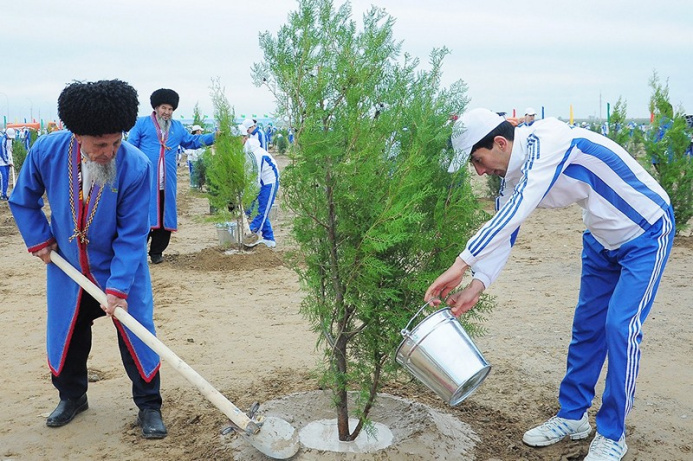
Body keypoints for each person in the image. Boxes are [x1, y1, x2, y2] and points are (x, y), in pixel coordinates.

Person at [425, 108, 674, 461]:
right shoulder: (512, 177)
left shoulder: (547, 142)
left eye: (479, 161)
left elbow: (519, 209)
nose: (480, 172)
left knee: (620, 326)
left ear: (500, 142)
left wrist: (460, 263)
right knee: (587, 327)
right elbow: (506, 227)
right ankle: (573, 417)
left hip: (646, 230)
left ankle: (612, 433)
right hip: (600, 238)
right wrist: (477, 284)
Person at [8, 79, 168, 439]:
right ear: (76, 136)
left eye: (115, 142)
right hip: (69, 268)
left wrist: (118, 286)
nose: (109, 151)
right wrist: (40, 240)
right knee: (69, 333)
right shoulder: (46, 152)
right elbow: (23, 198)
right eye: (99, 145)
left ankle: (149, 405)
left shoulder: (135, 165)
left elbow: (132, 234)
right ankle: (72, 397)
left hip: (120, 268)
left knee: (137, 334)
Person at [126, 89, 216, 264]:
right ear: (156, 107)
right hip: (145, 182)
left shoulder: (177, 128)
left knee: (164, 216)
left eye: (170, 109)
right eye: (163, 108)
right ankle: (137, 253)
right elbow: (131, 147)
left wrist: (214, 137)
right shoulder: (142, 124)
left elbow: (193, 141)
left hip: (167, 183)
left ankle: (157, 252)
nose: (166, 112)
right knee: (142, 217)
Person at [238, 124, 279, 248]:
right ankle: (269, 239)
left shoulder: (253, 154)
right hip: (256, 181)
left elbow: (254, 179)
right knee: (251, 209)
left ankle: (250, 236)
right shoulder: (240, 151)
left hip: (268, 181)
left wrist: (246, 196)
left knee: (262, 209)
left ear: (245, 138)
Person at [185, 124, 205, 189]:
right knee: (194, 173)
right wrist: (193, 153)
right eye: (200, 131)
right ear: (197, 131)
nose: (201, 132)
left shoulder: (199, 138)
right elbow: (186, 150)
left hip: (199, 158)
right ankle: (194, 186)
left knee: (198, 173)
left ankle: (197, 186)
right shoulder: (192, 139)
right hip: (193, 159)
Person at [0, 127, 15, 200]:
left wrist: (10, 161)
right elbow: (2, 153)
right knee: (4, 177)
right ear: (7, 134)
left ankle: (5, 193)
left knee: (7, 178)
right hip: (1, 162)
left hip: (7, 162)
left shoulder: (10, 140)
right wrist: (8, 162)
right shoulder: (2, 140)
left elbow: (9, 150)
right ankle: (2, 194)